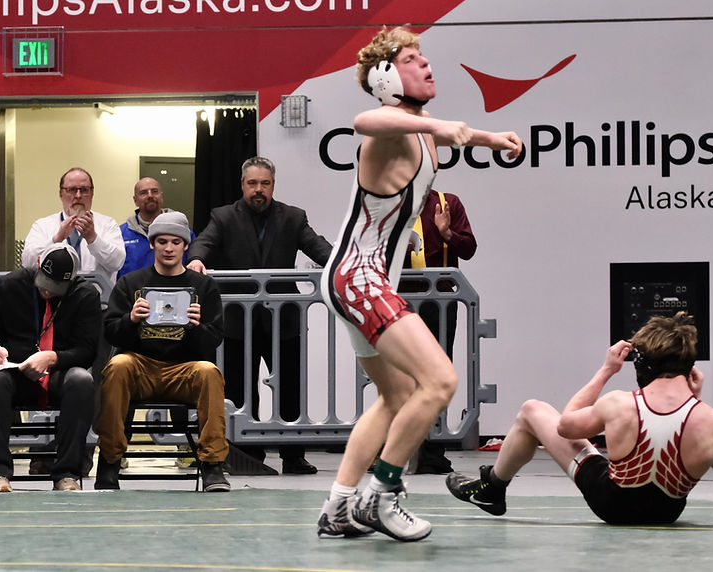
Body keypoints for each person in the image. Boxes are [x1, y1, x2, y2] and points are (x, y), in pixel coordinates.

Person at [316, 26, 522, 540]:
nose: (427, 65)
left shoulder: (422, 125)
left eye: (424, 57)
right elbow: (364, 118)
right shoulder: (386, 129)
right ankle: (381, 493)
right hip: (360, 276)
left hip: (360, 278)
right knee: (441, 381)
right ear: (387, 77)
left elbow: (451, 131)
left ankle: (338, 505)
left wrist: (490, 138)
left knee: (396, 394)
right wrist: (454, 128)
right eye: (411, 59)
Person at [446, 313, 713, 525]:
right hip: (668, 512)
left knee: (531, 410)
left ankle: (492, 489)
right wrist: (696, 400)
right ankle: (491, 489)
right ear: (689, 367)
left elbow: (566, 426)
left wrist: (606, 370)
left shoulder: (620, 404)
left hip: (611, 504)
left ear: (643, 364)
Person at [187, 156, 331, 474]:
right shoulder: (223, 217)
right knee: (239, 391)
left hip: (285, 322)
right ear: (242, 185)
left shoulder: (294, 217)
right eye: (252, 183)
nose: (258, 189)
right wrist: (196, 259)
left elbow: (316, 246)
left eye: (265, 183)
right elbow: (204, 243)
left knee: (291, 388)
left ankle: (293, 456)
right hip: (238, 323)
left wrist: (339, 262)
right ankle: (246, 455)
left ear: (273, 185)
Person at [95, 211, 230, 492]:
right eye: (162, 241)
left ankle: (213, 466)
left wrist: (196, 326)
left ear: (185, 246)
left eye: (176, 242)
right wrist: (130, 319)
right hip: (141, 367)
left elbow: (213, 340)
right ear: (152, 245)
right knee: (118, 366)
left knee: (209, 372)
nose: (169, 248)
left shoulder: (204, 286)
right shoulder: (130, 283)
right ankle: (109, 463)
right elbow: (110, 333)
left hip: (184, 369)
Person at [0, 243, 100, 493]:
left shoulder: (85, 295)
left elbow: (88, 351)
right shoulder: (11, 285)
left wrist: (53, 358)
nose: (47, 292)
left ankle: (67, 473)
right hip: (15, 372)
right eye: (44, 282)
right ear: (38, 264)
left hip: (59, 373)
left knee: (82, 380)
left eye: (55, 288)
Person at [402, 188, 477, 475]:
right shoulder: (388, 203)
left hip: (441, 304)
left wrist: (447, 234)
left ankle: (432, 452)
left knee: (436, 375)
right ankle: (396, 449)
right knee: (400, 377)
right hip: (399, 303)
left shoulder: (449, 203)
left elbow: (469, 249)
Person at [21, 167, 125, 289]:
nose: (78, 195)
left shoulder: (108, 224)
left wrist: (93, 238)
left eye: (84, 190)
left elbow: (117, 263)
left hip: (98, 302)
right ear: (61, 194)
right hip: (54, 302)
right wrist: (57, 239)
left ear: (92, 193)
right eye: (71, 190)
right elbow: (28, 263)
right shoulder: (43, 225)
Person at [118, 177, 195, 278]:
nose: (150, 195)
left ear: (161, 196)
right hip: (132, 291)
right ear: (135, 200)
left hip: (176, 289)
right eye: (144, 193)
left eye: (154, 191)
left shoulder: (182, 231)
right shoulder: (120, 233)